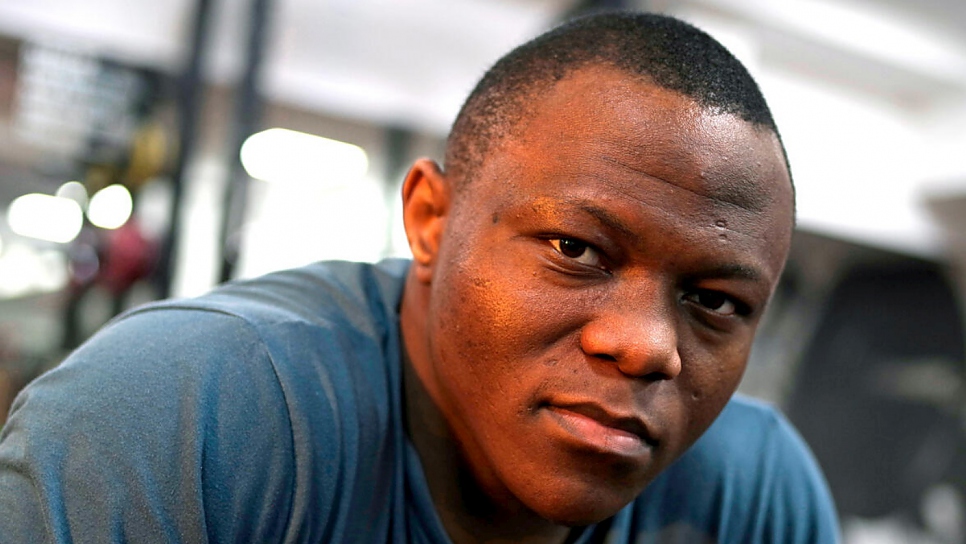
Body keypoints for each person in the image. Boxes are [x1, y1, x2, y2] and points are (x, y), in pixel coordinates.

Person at [0, 11, 839, 543]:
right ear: (431, 220)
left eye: (715, 301)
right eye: (577, 251)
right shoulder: (187, 411)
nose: (648, 347)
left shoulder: (752, 492)